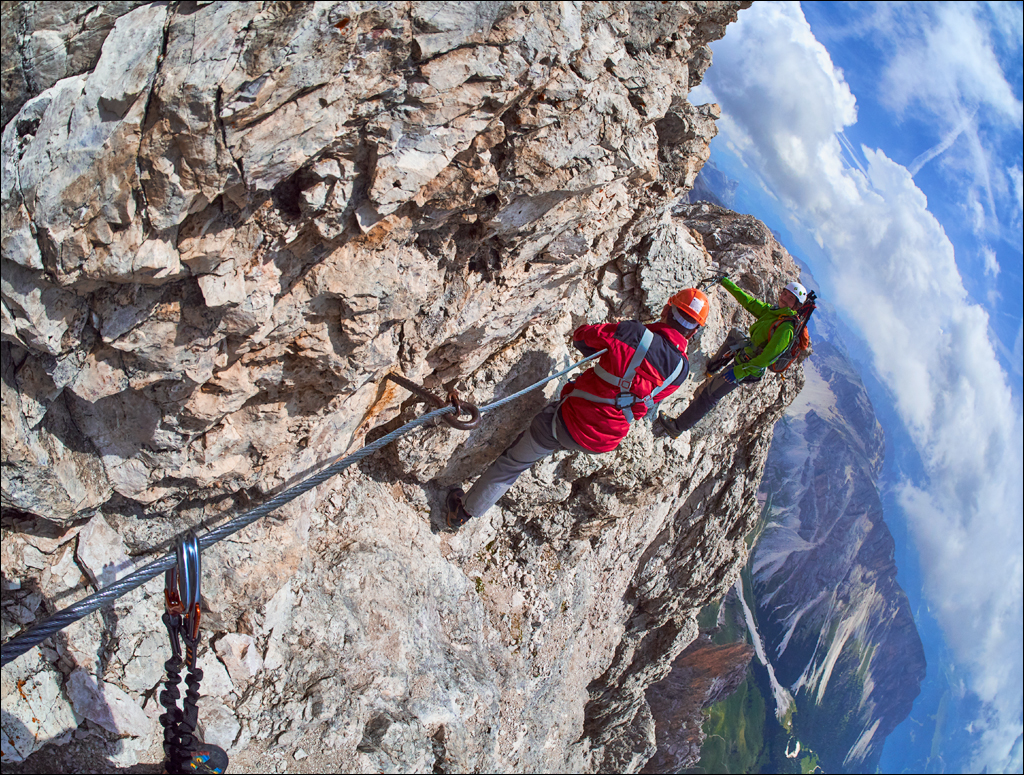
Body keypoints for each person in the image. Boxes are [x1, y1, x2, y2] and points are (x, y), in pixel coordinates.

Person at [445, 288, 711, 530]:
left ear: (666, 310)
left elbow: (583, 338)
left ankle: (462, 513)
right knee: (558, 436)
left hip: (570, 420)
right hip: (604, 439)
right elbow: (644, 405)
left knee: (514, 463)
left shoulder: (634, 333)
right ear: (694, 332)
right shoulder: (680, 370)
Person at [654, 276, 808, 439]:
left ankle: (677, 427)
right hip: (746, 354)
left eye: (790, 298)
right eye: (784, 293)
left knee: (711, 393)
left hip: (749, 368)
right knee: (736, 335)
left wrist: (739, 372)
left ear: (796, 305)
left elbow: (766, 359)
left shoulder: (786, 328)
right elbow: (749, 302)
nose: (784, 298)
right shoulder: (775, 313)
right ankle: (712, 367)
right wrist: (725, 282)